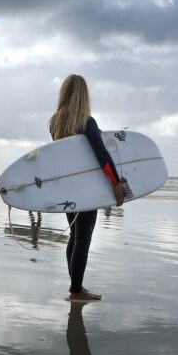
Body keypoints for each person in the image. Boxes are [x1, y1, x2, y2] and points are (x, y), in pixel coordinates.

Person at [49, 75, 125, 302]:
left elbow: (70, 153)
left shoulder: (55, 122)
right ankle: (76, 290)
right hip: (87, 190)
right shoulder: (86, 121)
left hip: (67, 188)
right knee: (83, 238)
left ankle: (75, 285)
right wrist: (116, 183)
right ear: (84, 95)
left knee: (75, 235)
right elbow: (102, 156)